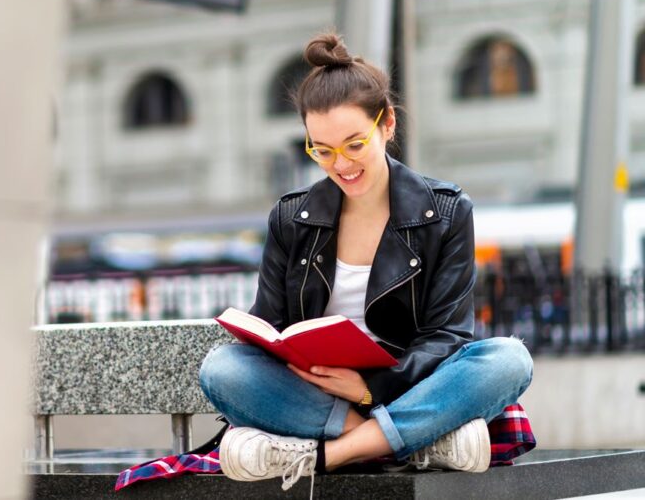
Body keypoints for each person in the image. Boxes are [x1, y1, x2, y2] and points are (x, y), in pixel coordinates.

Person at [198, 32, 533, 492]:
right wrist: (277, 347)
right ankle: (410, 444)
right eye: (322, 150)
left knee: (508, 360)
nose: (341, 164)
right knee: (222, 369)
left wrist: (367, 387)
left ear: (387, 124)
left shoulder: (446, 212)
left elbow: (448, 335)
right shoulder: (291, 218)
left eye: (354, 144)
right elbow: (270, 327)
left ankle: (331, 453)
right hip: (318, 395)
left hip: (410, 385)